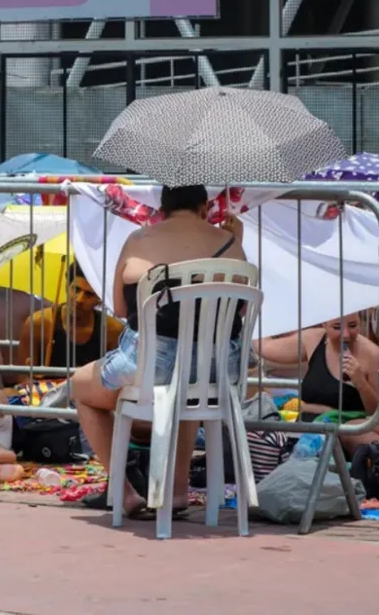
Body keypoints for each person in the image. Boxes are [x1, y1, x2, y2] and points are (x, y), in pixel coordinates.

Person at [70, 185, 248, 518]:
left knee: (80, 388)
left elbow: (121, 309)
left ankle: (125, 493)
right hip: (219, 368)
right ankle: (178, 492)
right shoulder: (231, 244)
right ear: (205, 206)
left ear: (162, 209)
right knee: (187, 385)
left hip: (153, 365)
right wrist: (236, 238)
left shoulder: (139, 240)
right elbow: (238, 310)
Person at [255, 314, 379, 493]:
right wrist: (257, 310)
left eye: (353, 326)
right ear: (324, 323)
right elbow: (265, 347)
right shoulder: (312, 339)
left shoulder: (371, 354)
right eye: (337, 327)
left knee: (354, 429)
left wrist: (360, 383)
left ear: (361, 323)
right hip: (319, 431)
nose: (346, 334)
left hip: (353, 430)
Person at [16, 260, 125, 375]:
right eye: (76, 289)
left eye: (89, 294)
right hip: (44, 390)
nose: (79, 299)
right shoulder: (38, 323)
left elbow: (114, 378)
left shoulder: (112, 331)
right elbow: (22, 376)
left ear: (100, 298)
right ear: (67, 287)